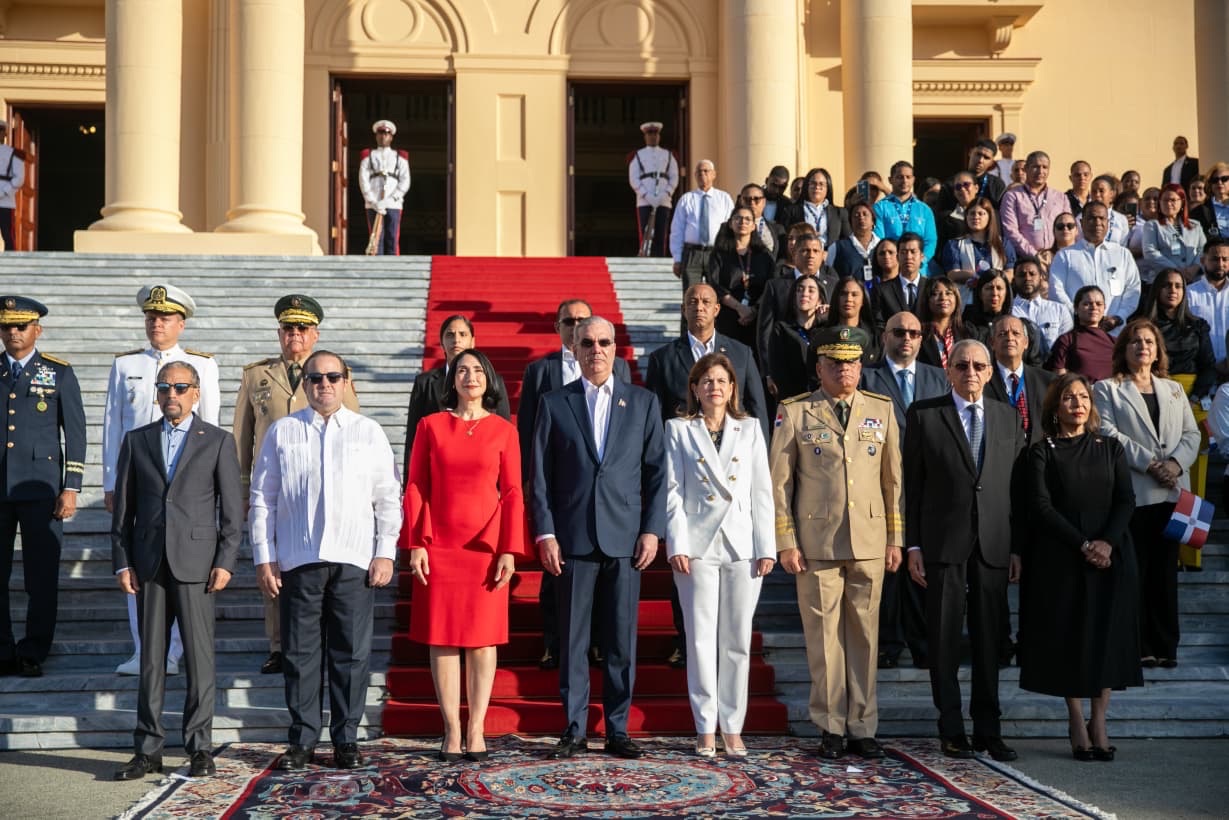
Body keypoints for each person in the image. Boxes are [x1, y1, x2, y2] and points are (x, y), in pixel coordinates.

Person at [250, 350, 401, 771]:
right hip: (298, 559)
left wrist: (385, 551)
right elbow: (262, 498)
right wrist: (264, 556)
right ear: (305, 384)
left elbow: (388, 497)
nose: (325, 384)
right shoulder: (283, 431)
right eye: (315, 378)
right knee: (300, 654)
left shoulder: (368, 432)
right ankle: (302, 740)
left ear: (346, 381)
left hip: (354, 559)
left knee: (350, 653)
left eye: (333, 377)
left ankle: (346, 739)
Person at [531, 317, 667, 761]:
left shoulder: (643, 402)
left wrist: (652, 530)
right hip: (571, 539)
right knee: (572, 640)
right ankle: (573, 729)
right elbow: (539, 475)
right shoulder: (555, 403)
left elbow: (657, 473)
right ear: (574, 348)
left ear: (616, 348)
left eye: (604, 342)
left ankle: (617, 728)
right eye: (587, 342)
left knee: (621, 640)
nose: (596, 350)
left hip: (625, 540)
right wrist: (546, 532)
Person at [771, 325, 903, 760]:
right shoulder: (795, 411)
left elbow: (893, 481)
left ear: (861, 367)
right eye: (834, 363)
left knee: (865, 637)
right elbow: (780, 483)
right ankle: (830, 724)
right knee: (824, 638)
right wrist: (786, 540)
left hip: (869, 539)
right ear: (819, 368)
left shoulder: (881, 409)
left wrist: (896, 537)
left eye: (851, 363)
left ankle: (863, 726)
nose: (844, 370)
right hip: (818, 543)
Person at [111, 361, 242, 781]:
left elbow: (232, 511)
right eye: (165, 387)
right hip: (149, 563)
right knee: (151, 661)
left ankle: (199, 747)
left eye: (181, 387)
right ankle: (147, 749)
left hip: (197, 564)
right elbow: (124, 511)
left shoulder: (217, 440)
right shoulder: (137, 440)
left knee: (199, 660)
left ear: (196, 393)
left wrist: (225, 561)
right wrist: (122, 561)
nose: (172, 394)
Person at [904, 339, 1027, 762]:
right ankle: (952, 728)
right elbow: (912, 485)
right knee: (943, 639)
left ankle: (988, 729)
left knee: (990, 640)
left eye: (978, 365)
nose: (970, 372)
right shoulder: (924, 414)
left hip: (993, 544)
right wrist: (913, 544)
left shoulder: (1008, 416)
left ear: (990, 372)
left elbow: (1018, 490)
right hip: (942, 543)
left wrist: (1016, 547)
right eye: (961, 365)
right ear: (948, 371)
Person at [403, 349, 525, 762]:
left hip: (485, 548)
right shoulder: (430, 426)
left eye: (477, 370)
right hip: (439, 544)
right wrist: (416, 542)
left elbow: (513, 492)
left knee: (482, 640)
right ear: (451, 379)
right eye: (462, 370)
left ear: (488, 380)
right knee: (442, 638)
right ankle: (451, 730)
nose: (470, 376)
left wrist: (509, 548)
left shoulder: (504, 430)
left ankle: (477, 729)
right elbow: (416, 485)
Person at [233, 294, 359, 675]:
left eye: (303, 329)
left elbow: (352, 431)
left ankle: (317, 642)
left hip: (319, 488)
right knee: (273, 566)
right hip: (273, 489)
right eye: (288, 329)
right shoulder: (256, 375)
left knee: (315, 567)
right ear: (279, 333)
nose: (295, 335)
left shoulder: (332, 374)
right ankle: (278, 645)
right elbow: (242, 437)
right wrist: (242, 490)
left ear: (315, 334)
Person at [1018, 373, 1141, 761]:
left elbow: (1126, 500)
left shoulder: (1111, 447)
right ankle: (1075, 718)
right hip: (1061, 557)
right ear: (1056, 406)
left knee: (1106, 639)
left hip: (1111, 555)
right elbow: (1040, 506)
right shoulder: (1042, 451)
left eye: (1084, 397)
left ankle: (1099, 721)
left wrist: (1106, 543)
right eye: (1069, 397)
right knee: (1069, 638)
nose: (1078, 404)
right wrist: (1083, 544)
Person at [646, 284, 769, 668]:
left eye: (705, 302)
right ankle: (685, 640)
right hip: (689, 473)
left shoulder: (741, 353)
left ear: (718, 309)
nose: (698, 307)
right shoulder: (664, 358)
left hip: (733, 473)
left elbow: (756, 410)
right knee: (685, 565)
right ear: (683, 309)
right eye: (692, 302)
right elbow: (654, 419)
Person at [104, 284, 220, 677]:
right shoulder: (126, 365)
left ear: (181, 324)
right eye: (151, 317)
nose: (157, 324)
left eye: (165, 318)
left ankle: (173, 651)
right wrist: (110, 482)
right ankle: (143, 649)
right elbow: (113, 426)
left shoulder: (202, 366)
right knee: (139, 563)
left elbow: (211, 427)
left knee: (183, 563)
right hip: (140, 478)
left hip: (185, 482)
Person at [664, 353, 775, 758]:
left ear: (732, 389)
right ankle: (704, 727)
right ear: (694, 388)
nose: (714, 387)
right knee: (700, 639)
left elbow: (761, 490)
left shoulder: (750, 428)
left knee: (737, 640)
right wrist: (676, 543)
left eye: (722, 381)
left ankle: (732, 725)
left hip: (741, 544)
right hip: (697, 546)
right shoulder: (678, 429)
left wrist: (766, 545)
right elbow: (672, 490)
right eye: (707, 380)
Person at [518, 299, 631, 670]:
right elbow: (528, 429)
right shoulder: (540, 370)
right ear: (559, 327)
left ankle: (596, 642)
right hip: (560, 488)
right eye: (569, 321)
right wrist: (529, 480)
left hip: (603, 493)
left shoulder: (619, 368)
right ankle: (553, 642)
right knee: (556, 574)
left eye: (583, 319)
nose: (576, 325)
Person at [1093, 320, 1200, 670]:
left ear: (1158, 351)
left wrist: (1174, 464)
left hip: (1172, 495)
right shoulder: (1107, 388)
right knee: (1134, 573)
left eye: (1149, 342)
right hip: (1135, 495)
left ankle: (1167, 646)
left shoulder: (1173, 389)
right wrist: (1151, 463)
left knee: (1165, 575)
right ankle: (1139, 646)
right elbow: (1106, 431)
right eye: (1135, 341)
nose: (1143, 347)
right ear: (1124, 349)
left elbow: (1192, 435)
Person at [0, 297, 85, 678]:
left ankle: (33, 650)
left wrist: (72, 486)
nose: (12, 333)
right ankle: (2, 650)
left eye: (20, 326)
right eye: (6, 326)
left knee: (41, 575)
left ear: (38, 329)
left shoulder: (58, 372)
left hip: (41, 489)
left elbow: (76, 434)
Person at [859, 312, 949, 670]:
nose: (907, 338)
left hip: (928, 485)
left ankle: (923, 643)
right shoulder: (867, 377)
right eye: (899, 332)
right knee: (889, 565)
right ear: (885, 337)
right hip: (880, 484)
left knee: (922, 562)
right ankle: (888, 643)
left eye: (913, 332)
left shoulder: (938, 377)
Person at [403, 315, 510, 475]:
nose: (456, 340)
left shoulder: (490, 381)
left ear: (473, 342)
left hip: (483, 471)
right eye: (450, 335)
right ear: (441, 343)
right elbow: (413, 438)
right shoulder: (425, 383)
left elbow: (504, 433)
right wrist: (409, 481)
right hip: (437, 472)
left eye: (463, 334)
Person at [1049, 202, 1141, 334]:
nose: (1097, 222)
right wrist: (1079, 314)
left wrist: (1118, 317)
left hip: (1115, 332)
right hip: (1077, 331)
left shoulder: (1122, 254)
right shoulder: (1065, 255)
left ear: (1108, 223)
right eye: (1092, 218)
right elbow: (1056, 290)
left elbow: (1133, 289)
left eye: (1102, 218)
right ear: (1081, 223)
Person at [755, 230, 836, 368]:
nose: (811, 255)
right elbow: (765, 333)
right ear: (794, 253)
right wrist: (769, 372)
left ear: (823, 255)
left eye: (816, 251)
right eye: (805, 250)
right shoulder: (776, 286)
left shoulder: (834, 284)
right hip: (786, 364)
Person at [1134, 269, 1215, 399]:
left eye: (1178, 286)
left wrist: (1194, 398)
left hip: (1194, 395)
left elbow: (1208, 366)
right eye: (1167, 285)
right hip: (1154, 392)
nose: (1173, 290)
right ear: (1157, 289)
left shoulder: (1198, 326)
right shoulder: (1142, 328)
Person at [706, 206, 774, 349]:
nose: (743, 222)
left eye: (748, 219)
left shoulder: (764, 255)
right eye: (738, 218)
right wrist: (739, 308)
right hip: (728, 314)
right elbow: (715, 284)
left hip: (757, 315)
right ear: (731, 224)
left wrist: (753, 310)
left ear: (754, 226)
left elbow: (771, 284)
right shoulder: (719, 254)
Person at [985, 315, 1056, 447]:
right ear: (992, 343)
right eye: (1002, 334)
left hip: (1038, 455)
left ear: (1026, 342)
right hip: (999, 454)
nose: (1010, 338)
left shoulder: (1047, 381)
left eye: (1016, 333)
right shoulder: (983, 381)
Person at [670, 160, 735, 291]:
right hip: (692, 254)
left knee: (717, 293)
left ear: (714, 174)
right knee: (691, 293)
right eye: (699, 172)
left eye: (706, 171)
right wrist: (677, 259)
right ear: (695, 175)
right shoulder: (686, 199)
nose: (702, 174)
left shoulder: (724, 198)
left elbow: (731, 228)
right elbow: (677, 230)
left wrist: (730, 253)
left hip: (716, 252)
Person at [1000, 150, 1072, 258]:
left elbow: (1070, 228)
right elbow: (1010, 231)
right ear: (1026, 169)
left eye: (1045, 167)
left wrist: (1056, 254)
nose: (1040, 171)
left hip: (1057, 257)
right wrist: (1034, 255)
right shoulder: (1012, 196)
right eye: (1035, 167)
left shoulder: (1060, 197)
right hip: (1025, 259)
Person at [767, 275, 827, 401]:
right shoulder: (781, 329)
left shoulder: (826, 330)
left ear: (820, 300)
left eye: (811, 290)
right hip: (793, 400)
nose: (804, 294)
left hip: (823, 399)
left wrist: (831, 317)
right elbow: (778, 371)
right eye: (800, 290)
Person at [358, 119, 411, 255]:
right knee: (376, 237)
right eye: (380, 133)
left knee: (392, 236)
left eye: (386, 134)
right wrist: (372, 200)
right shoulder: (368, 156)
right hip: (374, 203)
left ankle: (393, 264)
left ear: (391, 137)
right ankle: (377, 264)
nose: (383, 136)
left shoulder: (399, 157)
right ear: (376, 136)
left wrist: (393, 198)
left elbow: (405, 180)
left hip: (393, 203)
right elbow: (363, 179)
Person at [942, 196, 1015, 295]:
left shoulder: (1004, 244)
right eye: (972, 213)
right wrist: (977, 275)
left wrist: (990, 278)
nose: (976, 217)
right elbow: (953, 274)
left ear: (990, 217)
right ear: (966, 216)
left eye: (981, 213)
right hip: (967, 298)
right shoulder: (954, 245)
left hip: (996, 297)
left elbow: (1010, 274)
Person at [873, 161, 938, 267]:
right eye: (899, 177)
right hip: (891, 267)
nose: (904, 181)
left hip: (920, 268)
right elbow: (879, 239)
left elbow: (930, 241)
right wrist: (892, 261)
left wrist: (921, 261)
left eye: (908, 177)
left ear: (913, 180)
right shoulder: (880, 207)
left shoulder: (925, 209)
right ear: (890, 180)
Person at [628, 121, 679, 257]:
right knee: (645, 232)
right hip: (644, 200)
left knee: (662, 233)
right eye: (650, 133)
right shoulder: (638, 155)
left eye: (655, 133)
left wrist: (666, 193)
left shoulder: (668, 155)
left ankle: (660, 258)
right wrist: (646, 195)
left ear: (659, 136)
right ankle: (645, 257)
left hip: (663, 200)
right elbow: (634, 178)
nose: (653, 136)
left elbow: (674, 177)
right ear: (645, 136)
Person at [1046, 285, 1116, 382]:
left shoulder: (1114, 342)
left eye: (1099, 304)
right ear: (1076, 308)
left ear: (1104, 308)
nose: (1094, 307)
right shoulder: (1067, 340)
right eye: (1087, 304)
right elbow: (1058, 375)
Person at [1140, 184, 1207, 284]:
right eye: (1165, 200)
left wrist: (1195, 268)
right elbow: (1150, 252)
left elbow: (1203, 250)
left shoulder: (1195, 225)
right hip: (1165, 280)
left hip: (1193, 279)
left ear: (1182, 202)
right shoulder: (1152, 225)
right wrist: (1176, 271)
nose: (1169, 203)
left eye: (1173, 200)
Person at [1012, 255, 1072, 357]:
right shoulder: (1007, 310)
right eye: (1022, 275)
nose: (1027, 278)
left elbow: (1066, 347)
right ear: (1014, 280)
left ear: (1041, 277)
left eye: (1032, 274)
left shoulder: (1060, 310)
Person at [779, 167, 850, 250]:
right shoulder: (791, 211)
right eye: (813, 183)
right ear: (807, 186)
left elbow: (847, 241)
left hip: (831, 256)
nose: (817, 187)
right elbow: (785, 239)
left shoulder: (840, 213)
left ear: (828, 188)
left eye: (821, 184)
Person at [1186, 240, 1229, 373]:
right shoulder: (1188, 294)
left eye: (1225, 259)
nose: (1220, 264)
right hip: (1199, 370)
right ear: (1203, 261)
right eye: (1215, 259)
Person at [916, 276, 976, 369]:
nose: (943, 298)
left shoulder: (968, 333)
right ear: (926, 300)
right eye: (936, 294)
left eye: (948, 293)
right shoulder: (917, 334)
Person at [870, 232, 925, 327]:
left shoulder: (931, 286)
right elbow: (879, 324)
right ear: (898, 256)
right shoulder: (882, 290)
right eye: (903, 252)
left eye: (913, 252)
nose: (908, 257)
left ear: (921, 257)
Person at [823, 277, 881, 363]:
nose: (848, 299)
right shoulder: (822, 335)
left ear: (863, 300)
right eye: (843, 294)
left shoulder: (876, 338)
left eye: (854, 295)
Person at [937, 141, 1006, 213]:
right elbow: (941, 213)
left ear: (992, 162)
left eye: (986, 157)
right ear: (970, 152)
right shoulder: (951, 182)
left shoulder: (997, 185)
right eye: (978, 154)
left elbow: (1000, 214)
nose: (980, 160)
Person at [829, 200, 880, 283]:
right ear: (850, 222)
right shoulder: (837, 247)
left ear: (873, 221)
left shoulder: (881, 246)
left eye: (865, 214)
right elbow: (828, 274)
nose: (861, 218)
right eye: (856, 215)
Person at [739, 183, 786, 259]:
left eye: (756, 199)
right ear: (741, 201)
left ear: (764, 202)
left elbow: (782, 256)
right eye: (747, 199)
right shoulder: (729, 227)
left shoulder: (777, 229)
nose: (752, 203)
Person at [935, 171, 980, 248]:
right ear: (954, 192)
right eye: (958, 187)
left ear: (976, 188)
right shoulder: (945, 218)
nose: (962, 189)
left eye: (966, 185)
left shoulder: (989, 213)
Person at [0, 121, 24, 251]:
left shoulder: (14, 153)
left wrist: (4, 191)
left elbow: (19, 178)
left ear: (5, 134)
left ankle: (10, 259)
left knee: (8, 235)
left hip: (6, 201)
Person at [1190, 161, 1229, 241]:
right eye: (1215, 180)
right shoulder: (1200, 211)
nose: (1219, 182)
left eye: (1224, 179)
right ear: (1210, 184)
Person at [1089, 175, 1131, 245]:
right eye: (1094, 191)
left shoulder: (1121, 219)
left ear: (1111, 194)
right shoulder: (1082, 217)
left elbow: (1123, 246)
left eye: (1101, 191)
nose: (1097, 194)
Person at [1038, 211, 1080, 276]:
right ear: (1054, 231)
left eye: (1070, 226)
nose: (1065, 229)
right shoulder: (1043, 257)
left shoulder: (1085, 255)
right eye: (1060, 226)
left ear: (1077, 231)